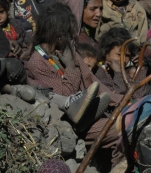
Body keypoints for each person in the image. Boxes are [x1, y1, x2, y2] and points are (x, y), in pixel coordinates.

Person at [27, 4, 125, 158]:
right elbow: (65, 97)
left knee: (131, 117)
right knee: (125, 126)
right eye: (69, 33)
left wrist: (123, 101)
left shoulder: (68, 51)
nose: (73, 38)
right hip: (72, 124)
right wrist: (71, 66)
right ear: (58, 35)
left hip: (93, 114)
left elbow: (93, 82)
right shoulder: (37, 62)